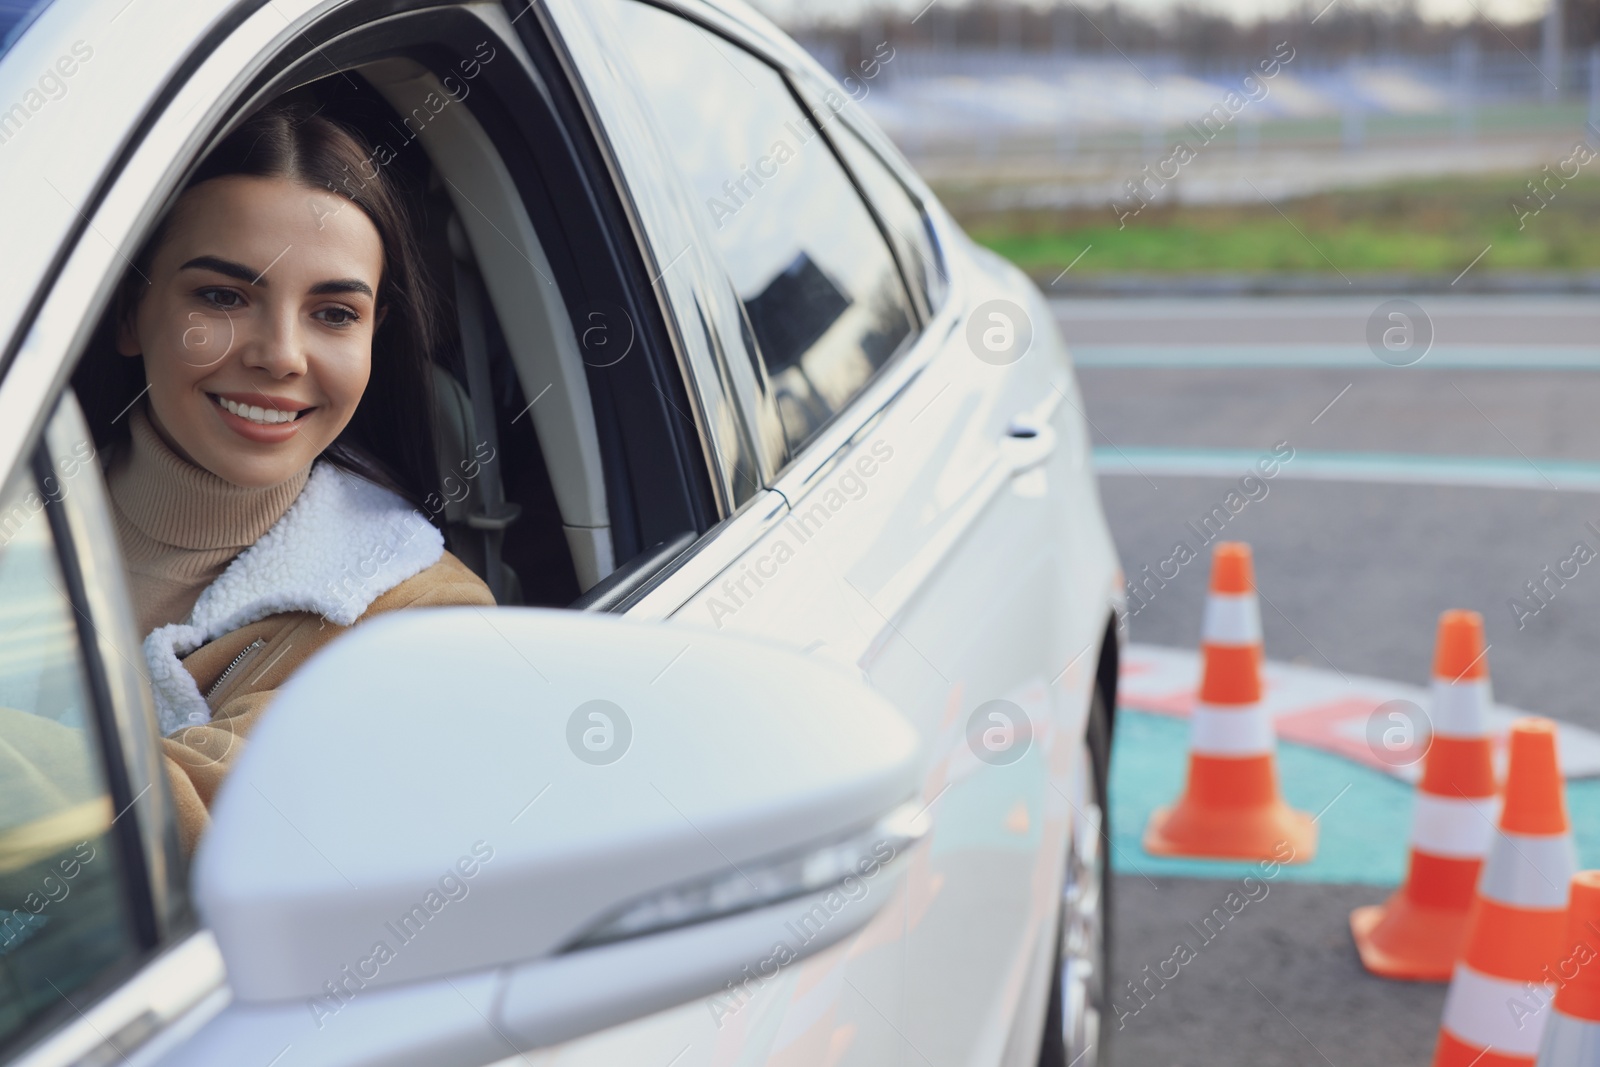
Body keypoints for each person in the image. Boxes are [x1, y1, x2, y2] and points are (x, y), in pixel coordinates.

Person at [72, 101, 496, 853]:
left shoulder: (423, 617)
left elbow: (210, 825)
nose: (281, 355)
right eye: (224, 296)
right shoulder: (27, 490)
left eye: (333, 313)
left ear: (374, 335)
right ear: (132, 312)